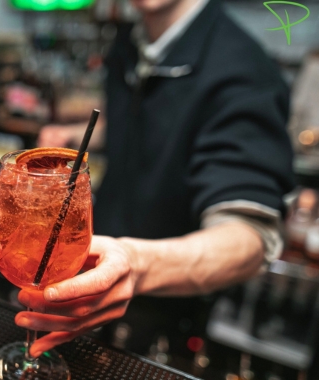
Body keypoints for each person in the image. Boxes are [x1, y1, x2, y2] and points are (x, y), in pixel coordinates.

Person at [24, 0, 295, 357]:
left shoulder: (243, 69)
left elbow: (249, 235)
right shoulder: (129, 44)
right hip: (97, 266)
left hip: (167, 306)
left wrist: (135, 264)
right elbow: (146, 123)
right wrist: (75, 136)